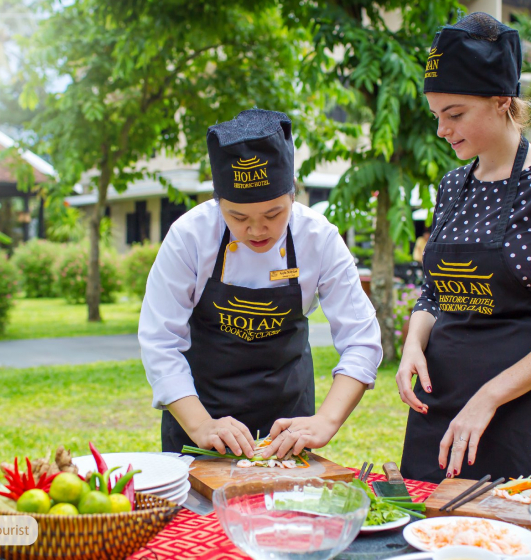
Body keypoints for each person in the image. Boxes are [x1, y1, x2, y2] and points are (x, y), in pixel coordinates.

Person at [397, 13, 531, 485]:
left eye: (454, 114)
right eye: (436, 116)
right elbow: (434, 294)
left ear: (502, 101)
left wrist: (489, 397)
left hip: (519, 414)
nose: (441, 130)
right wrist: (414, 342)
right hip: (440, 406)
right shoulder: (453, 185)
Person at [140, 109, 383, 460]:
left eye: (273, 214)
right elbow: (160, 340)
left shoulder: (319, 238)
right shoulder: (189, 237)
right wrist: (201, 425)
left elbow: (361, 338)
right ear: (218, 203)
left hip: (287, 420)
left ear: (293, 197)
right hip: (201, 412)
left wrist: (326, 421)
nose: (257, 231)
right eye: (238, 217)